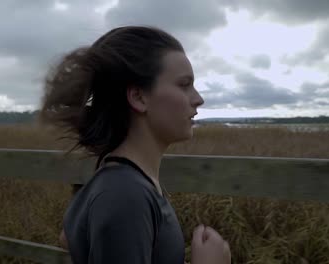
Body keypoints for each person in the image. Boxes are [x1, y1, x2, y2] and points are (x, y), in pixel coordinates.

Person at [39, 25, 231, 264]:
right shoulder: (125, 195)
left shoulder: (120, 182)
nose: (198, 99)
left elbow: (70, 238)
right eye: (184, 84)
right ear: (139, 97)